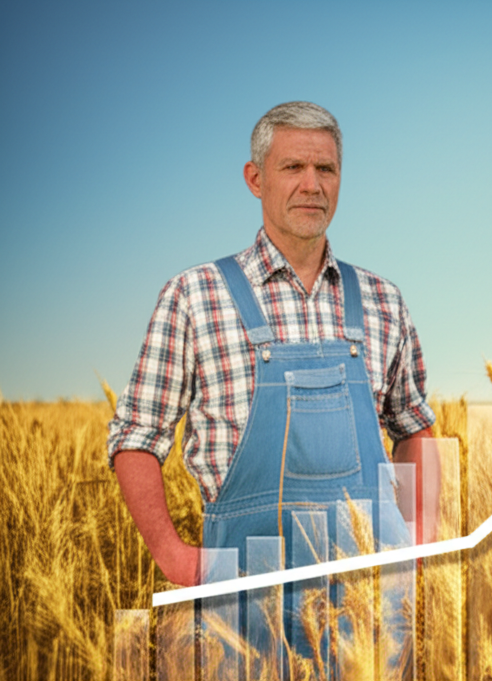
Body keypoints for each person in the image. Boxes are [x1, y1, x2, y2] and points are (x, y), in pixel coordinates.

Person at [107, 102, 438, 665]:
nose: (312, 186)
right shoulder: (194, 296)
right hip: (240, 600)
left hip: (367, 608)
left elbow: (415, 427)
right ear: (255, 178)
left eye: (326, 170)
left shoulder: (384, 301)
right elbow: (136, 436)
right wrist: (173, 555)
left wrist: (418, 544)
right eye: (292, 168)